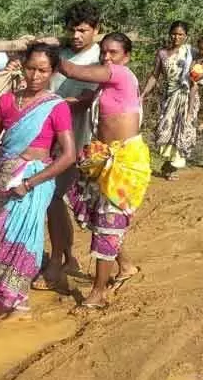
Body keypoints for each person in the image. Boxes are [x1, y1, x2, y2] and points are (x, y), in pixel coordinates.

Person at [0, 44, 77, 336]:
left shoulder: (56, 106)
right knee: (10, 241)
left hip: (32, 185)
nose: (35, 75)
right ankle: (20, 306)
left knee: (14, 244)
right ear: (22, 66)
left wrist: (30, 183)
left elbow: (68, 155)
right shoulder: (7, 101)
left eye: (43, 70)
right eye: (31, 68)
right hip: (3, 181)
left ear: (53, 72)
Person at [56, 33, 151, 310]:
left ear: (126, 57)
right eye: (104, 53)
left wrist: (43, 52)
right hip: (104, 158)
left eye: (113, 53)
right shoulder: (107, 86)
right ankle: (126, 266)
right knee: (101, 215)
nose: (107, 58)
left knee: (108, 224)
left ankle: (98, 292)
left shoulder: (119, 74)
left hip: (124, 162)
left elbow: (71, 69)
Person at [35, 1, 101, 292]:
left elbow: (86, 99)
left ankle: (64, 260)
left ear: (96, 31)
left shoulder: (100, 58)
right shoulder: (60, 53)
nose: (76, 35)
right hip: (55, 140)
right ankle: (64, 257)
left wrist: (50, 106)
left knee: (87, 204)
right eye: (72, 29)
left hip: (83, 139)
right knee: (55, 199)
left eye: (83, 30)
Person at [141, 21, 200, 180]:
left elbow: (202, 70)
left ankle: (174, 166)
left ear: (186, 36)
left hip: (187, 96)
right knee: (164, 129)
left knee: (183, 131)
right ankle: (168, 162)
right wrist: (144, 93)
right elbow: (155, 75)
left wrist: (198, 75)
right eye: (174, 33)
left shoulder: (191, 53)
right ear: (169, 34)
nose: (177, 37)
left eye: (180, 34)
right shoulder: (162, 53)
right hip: (169, 97)